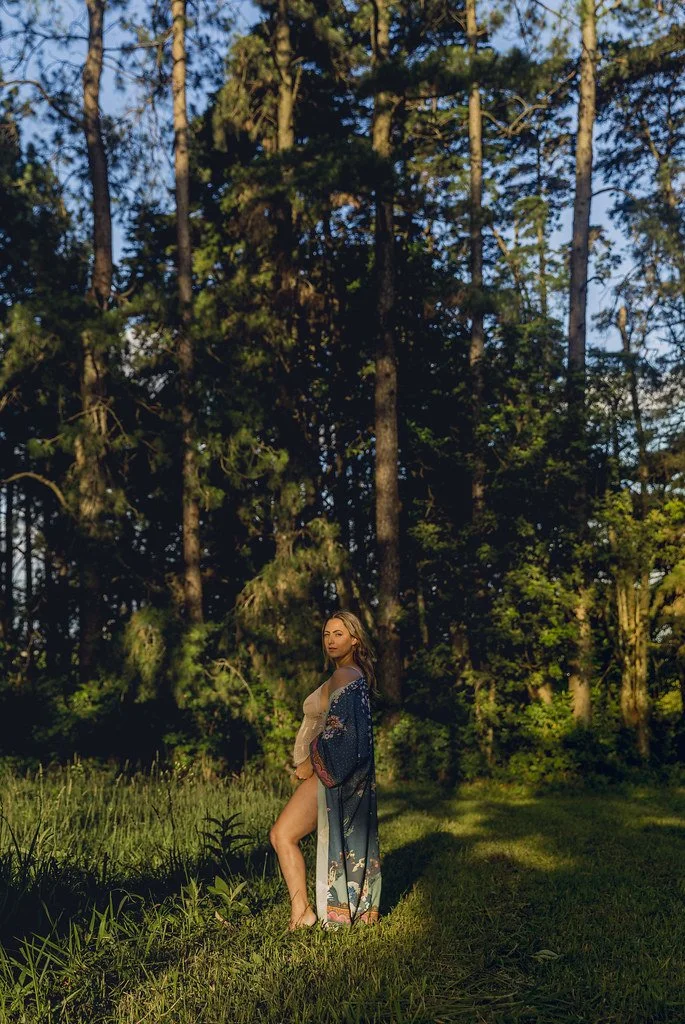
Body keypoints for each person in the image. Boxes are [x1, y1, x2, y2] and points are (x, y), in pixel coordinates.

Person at [269, 611, 382, 930]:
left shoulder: (347, 675)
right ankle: (303, 910)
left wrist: (309, 761)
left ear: (354, 639)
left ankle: (301, 913)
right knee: (284, 835)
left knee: (282, 834)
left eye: (339, 634)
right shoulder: (346, 674)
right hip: (321, 771)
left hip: (324, 772)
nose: (331, 640)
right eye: (327, 634)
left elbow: (345, 733)